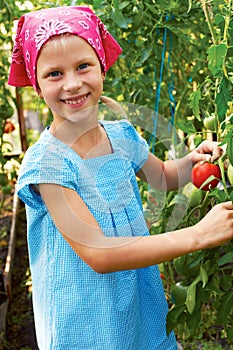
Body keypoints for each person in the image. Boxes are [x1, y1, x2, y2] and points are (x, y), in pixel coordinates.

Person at [8, 6, 233, 350]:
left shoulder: (122, 135)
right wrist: (199, 234)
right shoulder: (48, 165)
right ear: (36, 85)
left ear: (102, 66)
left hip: (136, 301)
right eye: (54, 73)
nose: (72, 83)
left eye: (83, 66)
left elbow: (162, 176)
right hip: (83, 316)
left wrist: (192, 161)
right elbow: (99, 253)